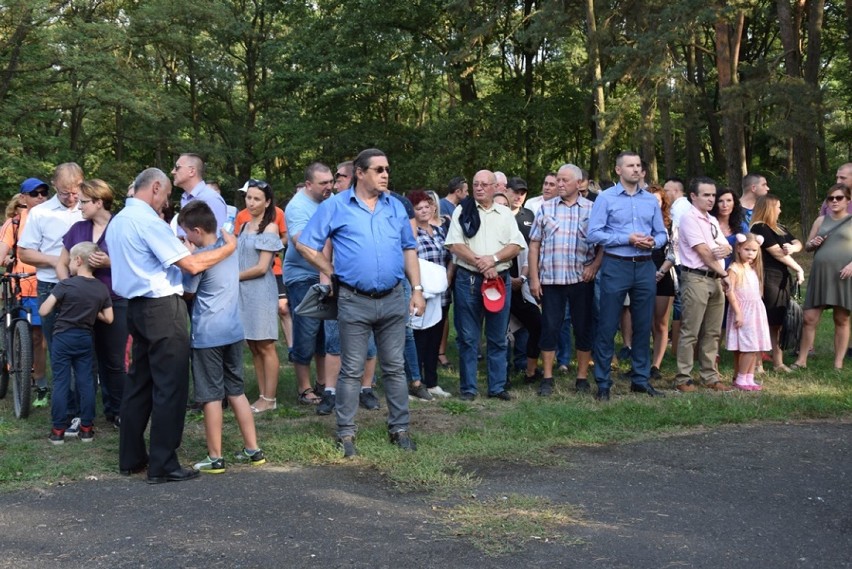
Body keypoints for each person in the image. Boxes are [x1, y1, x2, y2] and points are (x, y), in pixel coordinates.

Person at [107, 167, 236, 484]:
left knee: (140, 384)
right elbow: (191, 264)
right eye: (164, 196)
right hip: (162, 307)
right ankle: (163, 463)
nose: (165, 203)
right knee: (170, 387)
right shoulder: (148, 222)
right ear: (154, 188)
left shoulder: (119, 220)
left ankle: (132, 457)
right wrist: (227, 249)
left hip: (135, 308)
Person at [296, 148, 425, 457]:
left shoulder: (395, 207)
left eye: (387, 169)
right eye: (378, 170)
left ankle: (400, 429)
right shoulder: (336, 206)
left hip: (394, 297)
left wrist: (417, 288)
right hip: (354, 299)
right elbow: (305, 244)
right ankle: (346, 434)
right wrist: (330, 272)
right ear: (360, 173)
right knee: (351, 369)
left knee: (394, 368)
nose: (385, 175)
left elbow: (409, 249)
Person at [178, 201, 266, 473]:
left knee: (211, 396)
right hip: (233, 330)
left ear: (196, 231)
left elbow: (188, 291)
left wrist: (188, 256)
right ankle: (253, 449)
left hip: (207, 335)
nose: (184, 238)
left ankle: (215, 457)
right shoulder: (229, 248)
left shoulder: (202, 259)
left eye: (185, 233)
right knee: (236, 390)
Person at [587, 151, 668, 400]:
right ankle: (603, 382)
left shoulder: (650, 201)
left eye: (638, 165)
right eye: (630, 165)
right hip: (616, 265)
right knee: (608, 324)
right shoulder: (606, 198)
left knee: (644, 324)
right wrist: (627, 238)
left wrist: (654, 242)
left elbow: (663, 234)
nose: (635, 169)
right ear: (618, 170)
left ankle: (640, 379)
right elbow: (593, 233)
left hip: (645, 266)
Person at [445, 170, 526, 401]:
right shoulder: (463, 210)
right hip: (468, 280)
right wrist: (483, 264)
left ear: (495, 188)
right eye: (475, 184)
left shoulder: (505, 213)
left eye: (484, 184)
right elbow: (455, 245)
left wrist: (494, 260)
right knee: (469, 338)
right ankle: (469, 389)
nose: (479, 188)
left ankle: (497, 387)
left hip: (499, 279)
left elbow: (515, 245)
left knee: (498, 336)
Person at [54, 180, 128, 429]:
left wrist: (110, 263)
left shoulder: (122, 226)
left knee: (114, 360)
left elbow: (138, 264)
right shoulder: (77, 228)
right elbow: (61, 263)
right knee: (83, 361)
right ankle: (80, 413)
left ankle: (117, 410)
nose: (79, 206)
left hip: (114, 302)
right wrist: (69, 290)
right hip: (80, 308)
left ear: (99, 202)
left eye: (84, 202)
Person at [528, 163, 601, 396]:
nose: (559, 184)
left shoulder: (592, 209)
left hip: (581, 279)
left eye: (564, 180)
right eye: (558, 179)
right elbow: (534, 244)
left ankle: (581, 378)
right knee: (549, 327)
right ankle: (547, 378)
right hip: (551, 279)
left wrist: (594, 266)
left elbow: (604, 245)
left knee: (583, 328)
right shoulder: (546, 208)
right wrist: (534, 278)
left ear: (579, 183)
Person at [18, 164, 84, 408]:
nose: (71, 197)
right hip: (50, 286)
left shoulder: (89, 209)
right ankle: (64, 402)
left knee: (83, 344)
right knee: (56, 345)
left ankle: (82, 403)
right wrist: (57, 261)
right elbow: (25, 252)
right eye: (66, 192)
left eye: (76, 191)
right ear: (55, 185)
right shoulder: (41, 212)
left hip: (83, 286)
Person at [39, 242, 113, 444]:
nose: (69, 264)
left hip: (63, 337)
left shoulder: (65, 285)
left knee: (61, 382)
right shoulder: (100, 288)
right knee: (86, 382)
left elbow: (44, 311)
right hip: (85, 338)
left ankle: (58, 431)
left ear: (78, 261)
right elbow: (109, 318)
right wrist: (91, 308)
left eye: (71, 260)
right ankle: (87, 429)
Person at [674, 177, 733, 393]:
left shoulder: (712, 220)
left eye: (713, 195)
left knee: (713, 331)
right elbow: (705, 253)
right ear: (693, 196)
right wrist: (724, 273)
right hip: (696, 278)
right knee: (691, 330)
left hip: (714, 278)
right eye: (706, 195)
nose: (711, 199)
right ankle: (683, 377)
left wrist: (725, 253)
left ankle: (710, 376)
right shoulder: (689, 219)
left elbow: (726, 247)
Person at [792, 184, 852, 371]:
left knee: (841, 319)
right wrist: (813, 242)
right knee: (809, 317)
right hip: (821, 275)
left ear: (848, 200)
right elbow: (808, 247)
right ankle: (801, 360)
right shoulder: (820, 220)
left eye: (839, 198)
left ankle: (838, 363)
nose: (834, 201)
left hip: (843, 275)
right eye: (830, 198)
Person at [237, 179, 284, 413]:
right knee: (253, 345)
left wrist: (233, 277)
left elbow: (262, 267)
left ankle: (270, 398)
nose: (251, 202)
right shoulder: (244, 225)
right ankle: (262, 394)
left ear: (267, 202)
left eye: (257, 199)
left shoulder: (270, 228)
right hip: (244, 292)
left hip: (260, 291)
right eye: (249, 198)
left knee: (265, 345)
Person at [0, 181, 48, 404]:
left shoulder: (50, 220)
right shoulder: (14, 223)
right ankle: (21, 375)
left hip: (44, 285)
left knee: (40, 338)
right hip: (20, 287)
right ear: (23, 198)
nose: (40, 197)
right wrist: (7, 259)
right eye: (35, 193)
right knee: (24, 335)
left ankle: (40, 384)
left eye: (44, 193)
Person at [749, 195, 804, 372]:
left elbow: (797, 242)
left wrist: (792, 248)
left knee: (778, 321)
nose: (780, 210)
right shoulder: (759, 228)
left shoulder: (779, 228)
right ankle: (757, 362)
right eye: (778, 207)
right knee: (764, 320)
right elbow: (777, 253)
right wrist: (799, 268)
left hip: (781, 278)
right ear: (769, 208)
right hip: (766, 278)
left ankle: (778, 362)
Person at [408, 190, 453, 398]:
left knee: (435, 339)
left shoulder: (440, 231)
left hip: (441, 293)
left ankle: (432, 382)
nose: (424, 210)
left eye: (426, 206)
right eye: (418, 208)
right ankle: (414, 383)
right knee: (418, 339)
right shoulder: (410, 233)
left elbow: (450, 257)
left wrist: (448, 280)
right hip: (420, 293)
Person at [725, 233, 772, 391]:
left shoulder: (753, 269)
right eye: (747, 249)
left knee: (754, 347)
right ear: (738, 248)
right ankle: (740, 378)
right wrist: (738, 312)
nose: (751, 253)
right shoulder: (735, 268)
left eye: (754, 250)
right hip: (744, 312)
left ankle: (749, 378)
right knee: (747, 347)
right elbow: (730, 292)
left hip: (756, 312)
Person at [648, 185, 676, 380]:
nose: (653, 204)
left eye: (657, 200)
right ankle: (640, 362)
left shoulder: (671, 224)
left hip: (662, 275)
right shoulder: (637, 222)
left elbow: (675, 251)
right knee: (643, 322)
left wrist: (660, 272)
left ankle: (655, 365)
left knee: (660, 323)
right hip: (639, 274)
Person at [171, 153, 227, 235]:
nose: (173, 172)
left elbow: (217, 238)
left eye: (177, 167)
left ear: (192, 171)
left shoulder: (211, 199)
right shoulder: (185, 198)